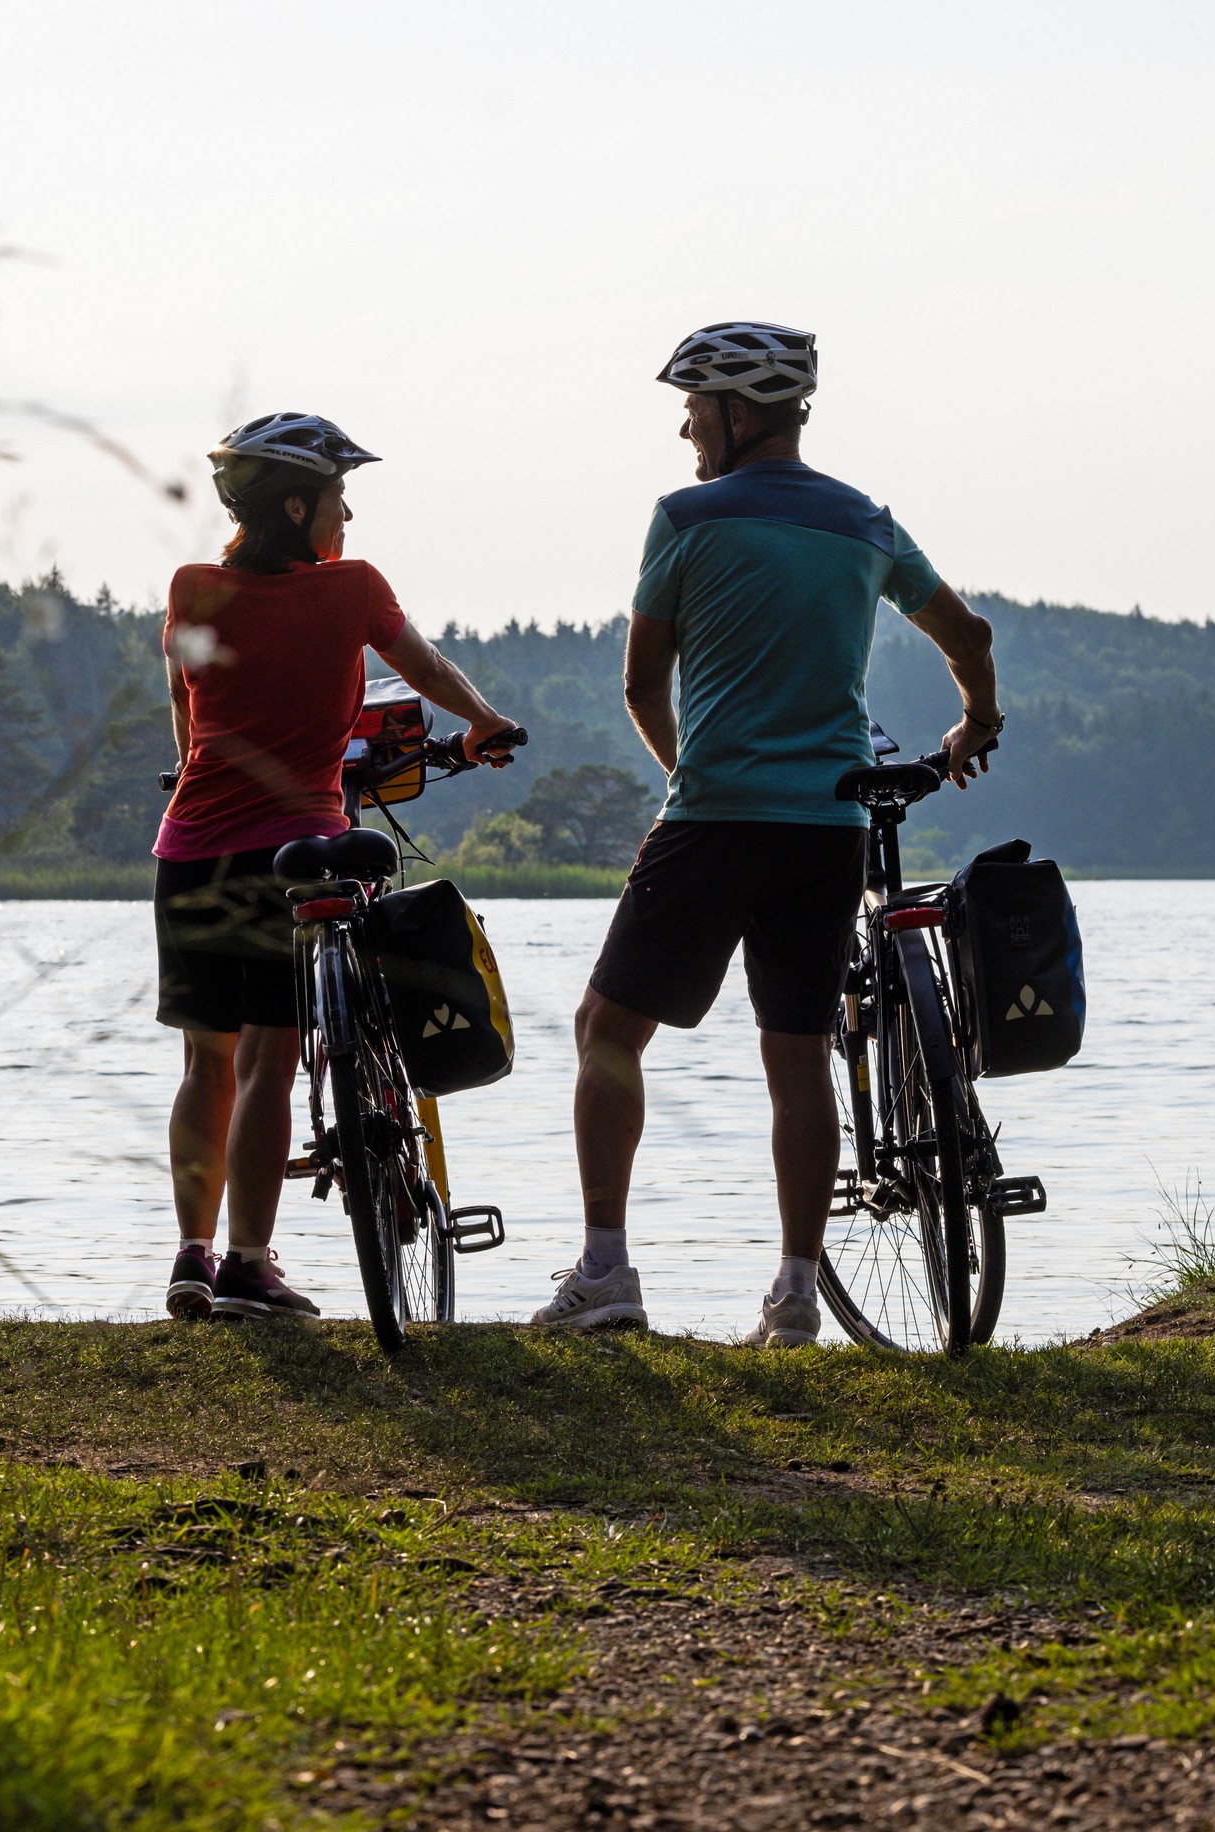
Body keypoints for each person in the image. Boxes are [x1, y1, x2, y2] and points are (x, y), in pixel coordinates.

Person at [533, 324, 1003, 1347]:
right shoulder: (864, 523)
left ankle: (605, 1271)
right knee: (798, 1056)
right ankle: (794, 1300)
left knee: (607, 1032)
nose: (685, 425)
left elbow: (638, 682)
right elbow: (969, 637)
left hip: (713, 819)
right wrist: (977, 721)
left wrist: (684, 774)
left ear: (740, 414)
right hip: (828, 825)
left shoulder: (687, 518)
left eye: (696, 407)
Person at [156, 411, 519, 1324]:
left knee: (209, 1065)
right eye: (336, 499)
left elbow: (185, 715)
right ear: (294, 503)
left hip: (192, 852)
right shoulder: (352, 588)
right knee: (272, 1062)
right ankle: (248, 1264)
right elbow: (422, 666)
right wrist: (481, 720)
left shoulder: (192, 587)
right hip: (297, 852)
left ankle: (191, 1259)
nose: (346, 518)